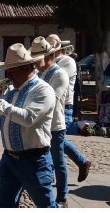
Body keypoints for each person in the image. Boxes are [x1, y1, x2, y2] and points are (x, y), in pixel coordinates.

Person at [0, 43, 58, 208]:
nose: (8, 74)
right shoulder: (12, 91)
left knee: (46, 206)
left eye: (12, 70)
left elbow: (28, 118)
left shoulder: (43, 90)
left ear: (27, 68)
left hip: (34, 161)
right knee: (1, 205)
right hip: (9, 159)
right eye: (7, 70)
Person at [30, 37, 70, 208]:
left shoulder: (60, 74)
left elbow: (51, 98)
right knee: (43, 161)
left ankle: (62, 196)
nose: (35, 64)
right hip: (39, 125)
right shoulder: (40, 73)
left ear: (47, 57)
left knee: (58, 161)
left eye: (37, 60)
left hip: (54, 125)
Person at [46, 34, 91, 183]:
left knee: (56, 141)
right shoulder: (52, 62)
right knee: (55, 140)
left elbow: (57, 76)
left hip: (64, 106)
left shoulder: (68, 61)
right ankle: (81, 163)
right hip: (51, 105)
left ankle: (52, 173)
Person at [69, 53, 82, 119]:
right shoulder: (67, 64)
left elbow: (79, 76)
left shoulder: (77, 64)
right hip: (69, 84)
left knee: (75, 101)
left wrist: (79, 86)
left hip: (75, 85)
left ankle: (74, 115)